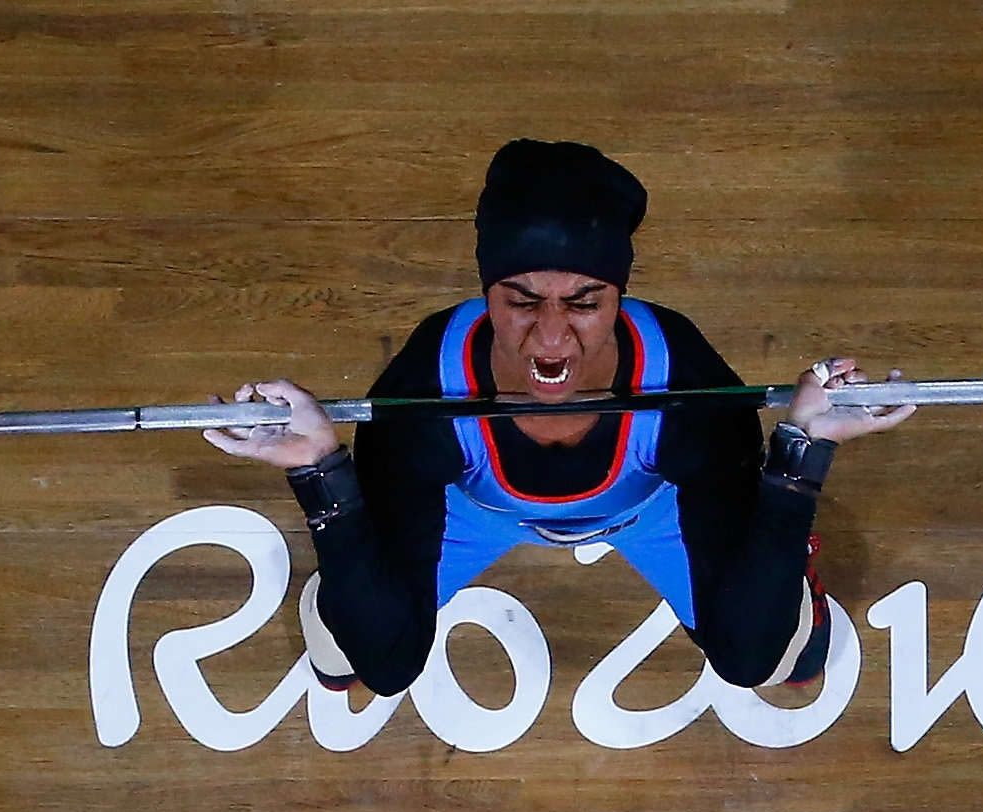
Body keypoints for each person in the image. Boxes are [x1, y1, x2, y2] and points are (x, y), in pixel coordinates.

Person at [207, 139, 913, 697]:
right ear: (487, 293)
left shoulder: (685, 387)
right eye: (521, 302)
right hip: (470, 509)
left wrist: (801, 454)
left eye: (584, 303)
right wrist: (318, 472)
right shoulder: (425, 392)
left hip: (652, 510)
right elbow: (390, 667)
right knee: (353, 655)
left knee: (773, 654)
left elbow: (747, 648)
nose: (550, 340)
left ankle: (798, 576)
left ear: (618, 295)